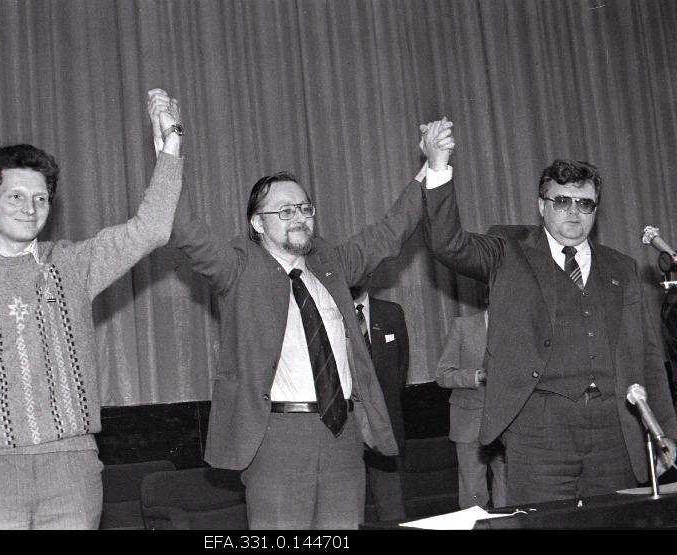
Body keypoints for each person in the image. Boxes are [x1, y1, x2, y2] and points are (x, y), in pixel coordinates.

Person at [148, 89, 454, 529]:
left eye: (305, 208)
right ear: (257, 222)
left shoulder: (330, 263)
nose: (299, 218)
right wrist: (170, 144)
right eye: (285, 210)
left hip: (344, 434)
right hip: (277, 437)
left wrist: (434, 164)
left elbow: (390, 232)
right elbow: (184, 229)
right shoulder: (238, 265)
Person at [0, 95, 184, 529]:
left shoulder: (71, 265)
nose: (29, 208)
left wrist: (170, 145)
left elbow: (152, 229)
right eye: (15, 195)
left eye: (40, 198)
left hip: (72, 472)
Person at [420, 118, 677, 505]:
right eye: (562, 201)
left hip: (615, 429)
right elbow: (448, 244)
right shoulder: (508, 249)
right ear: (542, 206)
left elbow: (649, 358)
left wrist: (666, 433)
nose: (574, 212)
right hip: (539, 429)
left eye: (585, 203)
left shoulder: (621, 267)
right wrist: (438, 164)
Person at [436, 307, 507, 509]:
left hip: (507, 422)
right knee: (473, 495)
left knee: (508, 490)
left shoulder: (517, 325)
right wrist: (476, 376)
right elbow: (443, 374)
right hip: (469, 422)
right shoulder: (463, 326)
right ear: (489, 297)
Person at [350, 284, 408, 521]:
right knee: (349, 510)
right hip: (348, 425)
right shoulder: (331, 311)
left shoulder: (391, 312)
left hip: (385, 424)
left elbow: (401, 364)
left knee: (391, 505)